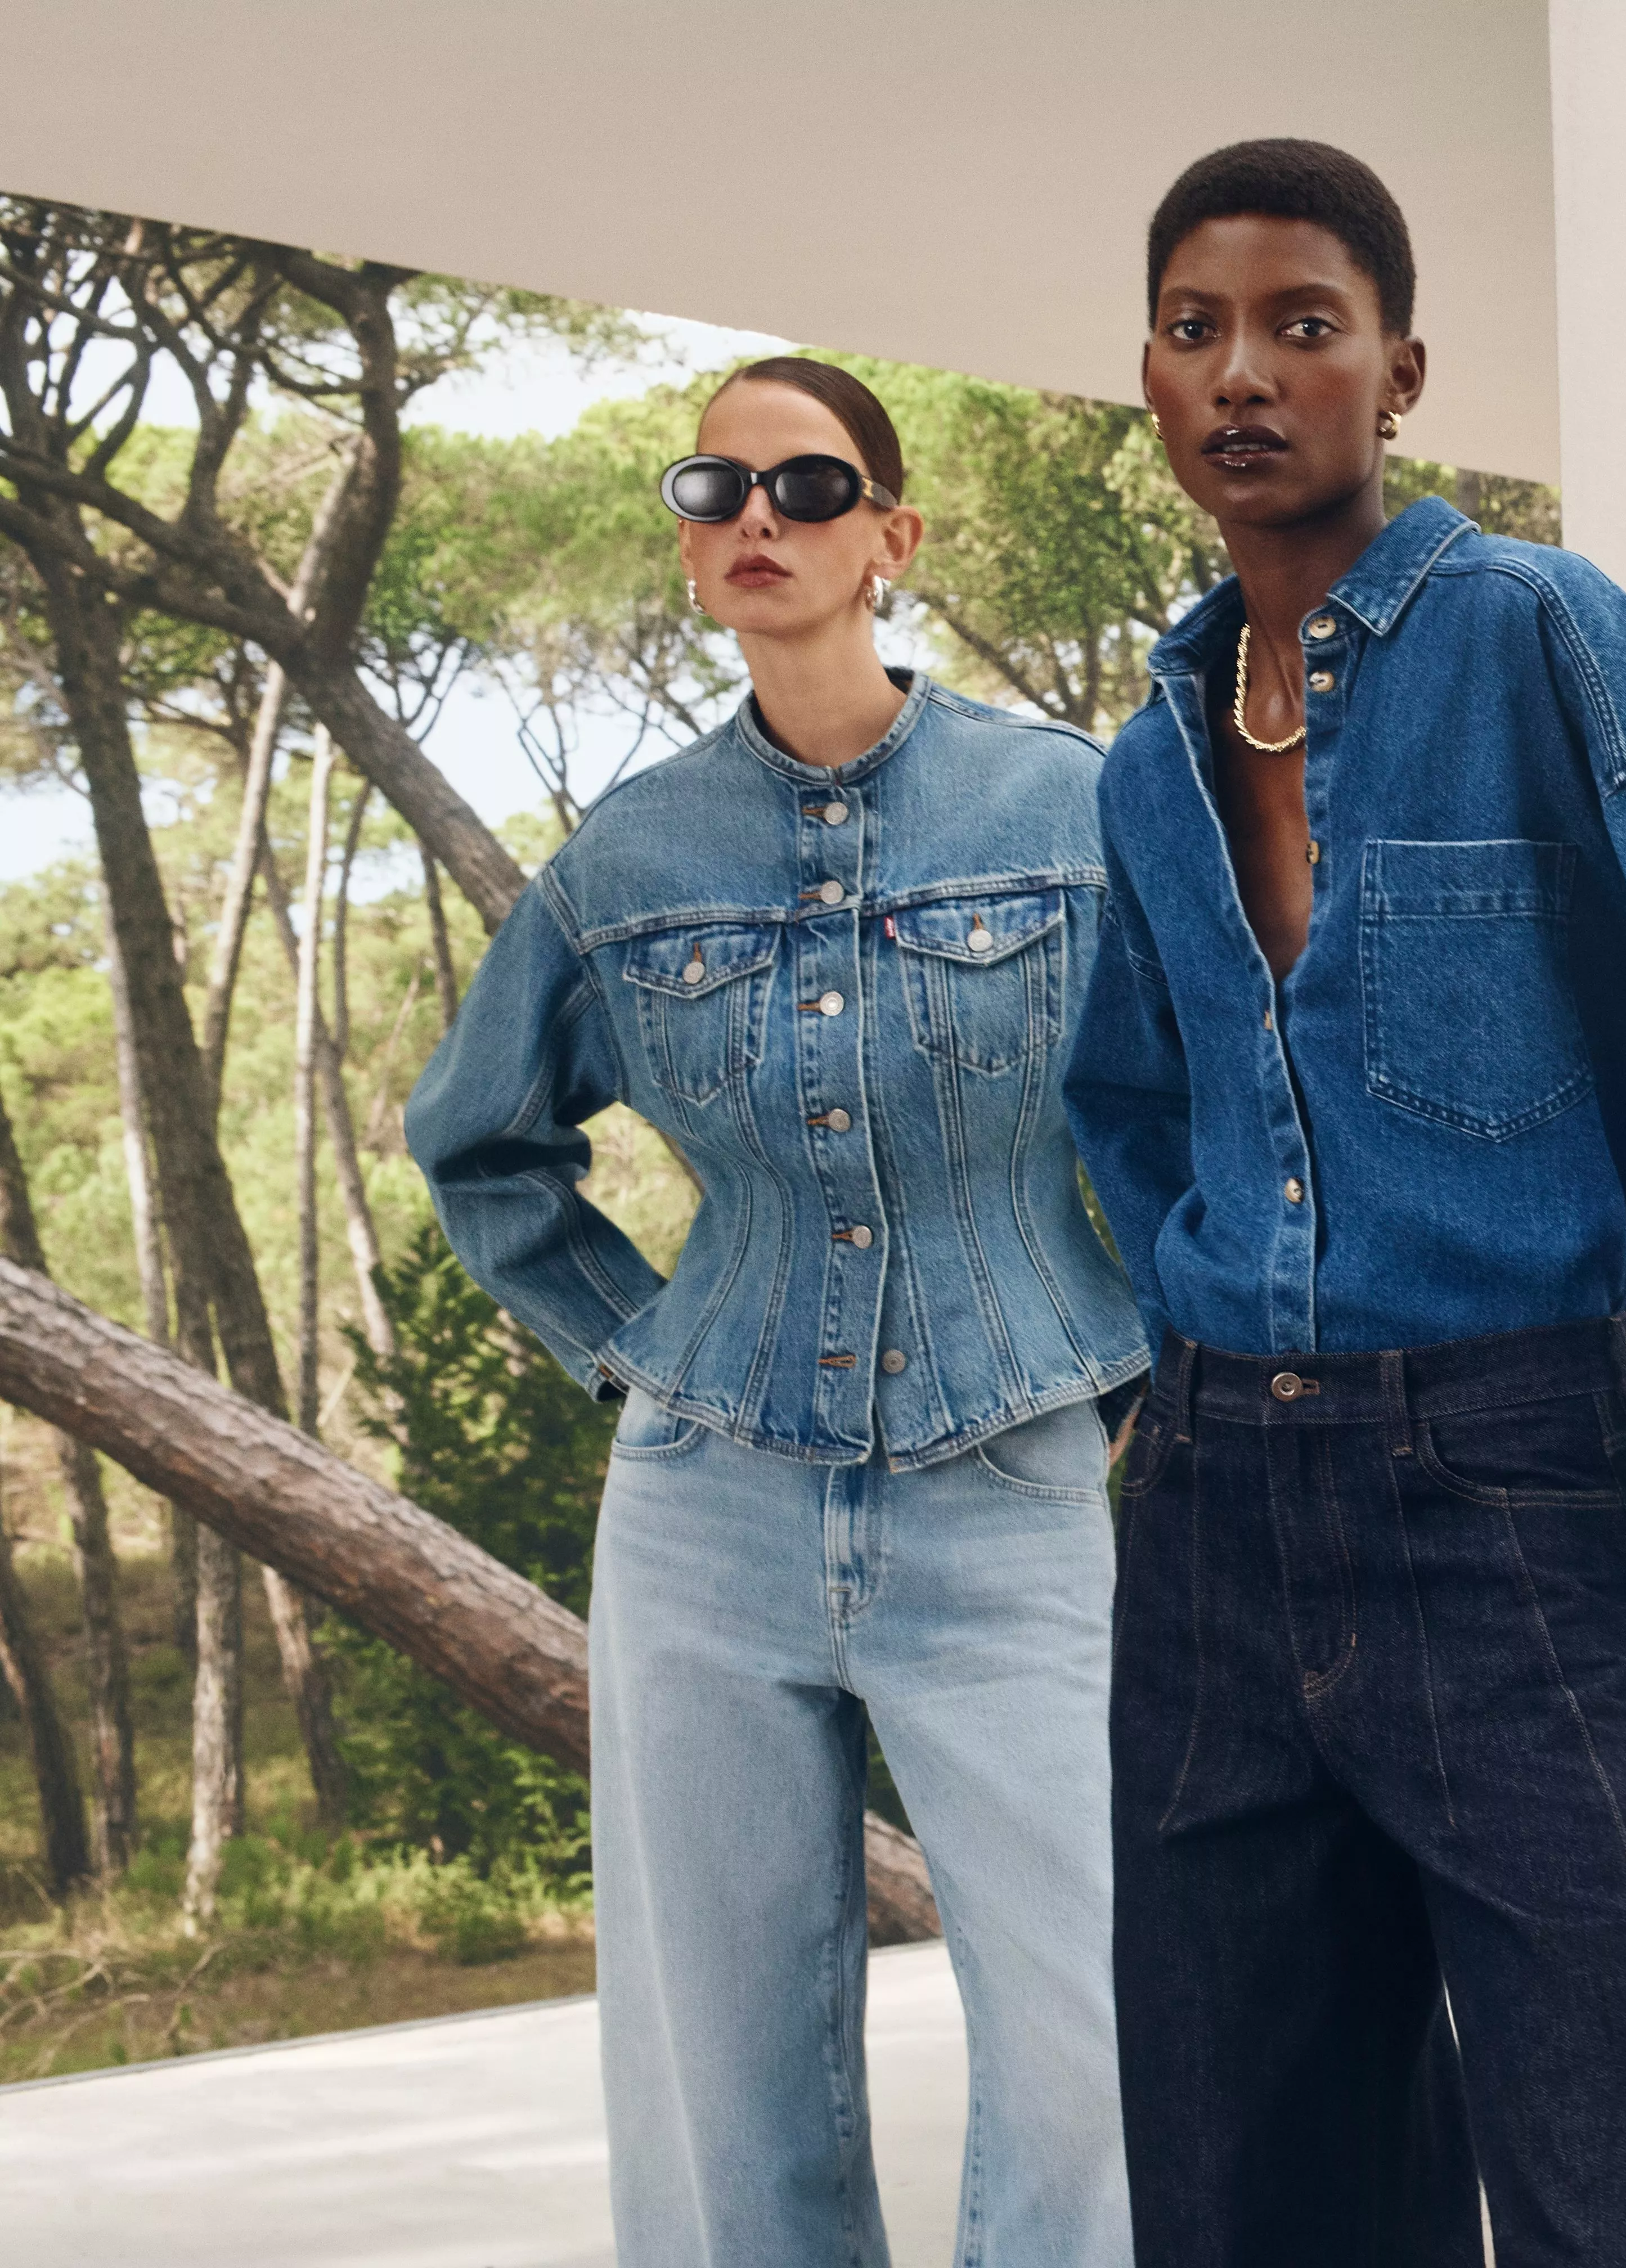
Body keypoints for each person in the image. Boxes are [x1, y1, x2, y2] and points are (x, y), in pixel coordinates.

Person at [1068, 140, 1626, 2266]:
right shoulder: (1142, 765)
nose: (1247, 375)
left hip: (1504, 1498)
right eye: (1198, 332)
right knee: (1255, 2198)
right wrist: (1161, 1382)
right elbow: (1130, 1109)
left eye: (1305, 326)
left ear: (1405, 372)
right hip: (1206, 1548)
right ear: (1153, 380)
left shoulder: (1545, 639)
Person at [406, 357, 1147, 2268]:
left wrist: (1139, 1366)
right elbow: (480, 1143)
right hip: (706, 1511)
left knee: (1103, 2046)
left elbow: (1210, 1116)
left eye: (810, 488)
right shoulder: (629, 858)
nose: (758, 518)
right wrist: (631, 1352)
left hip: (1014, 1491)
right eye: (713, 486)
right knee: (719, 2068)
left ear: (892, 538)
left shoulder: (1069, 804)